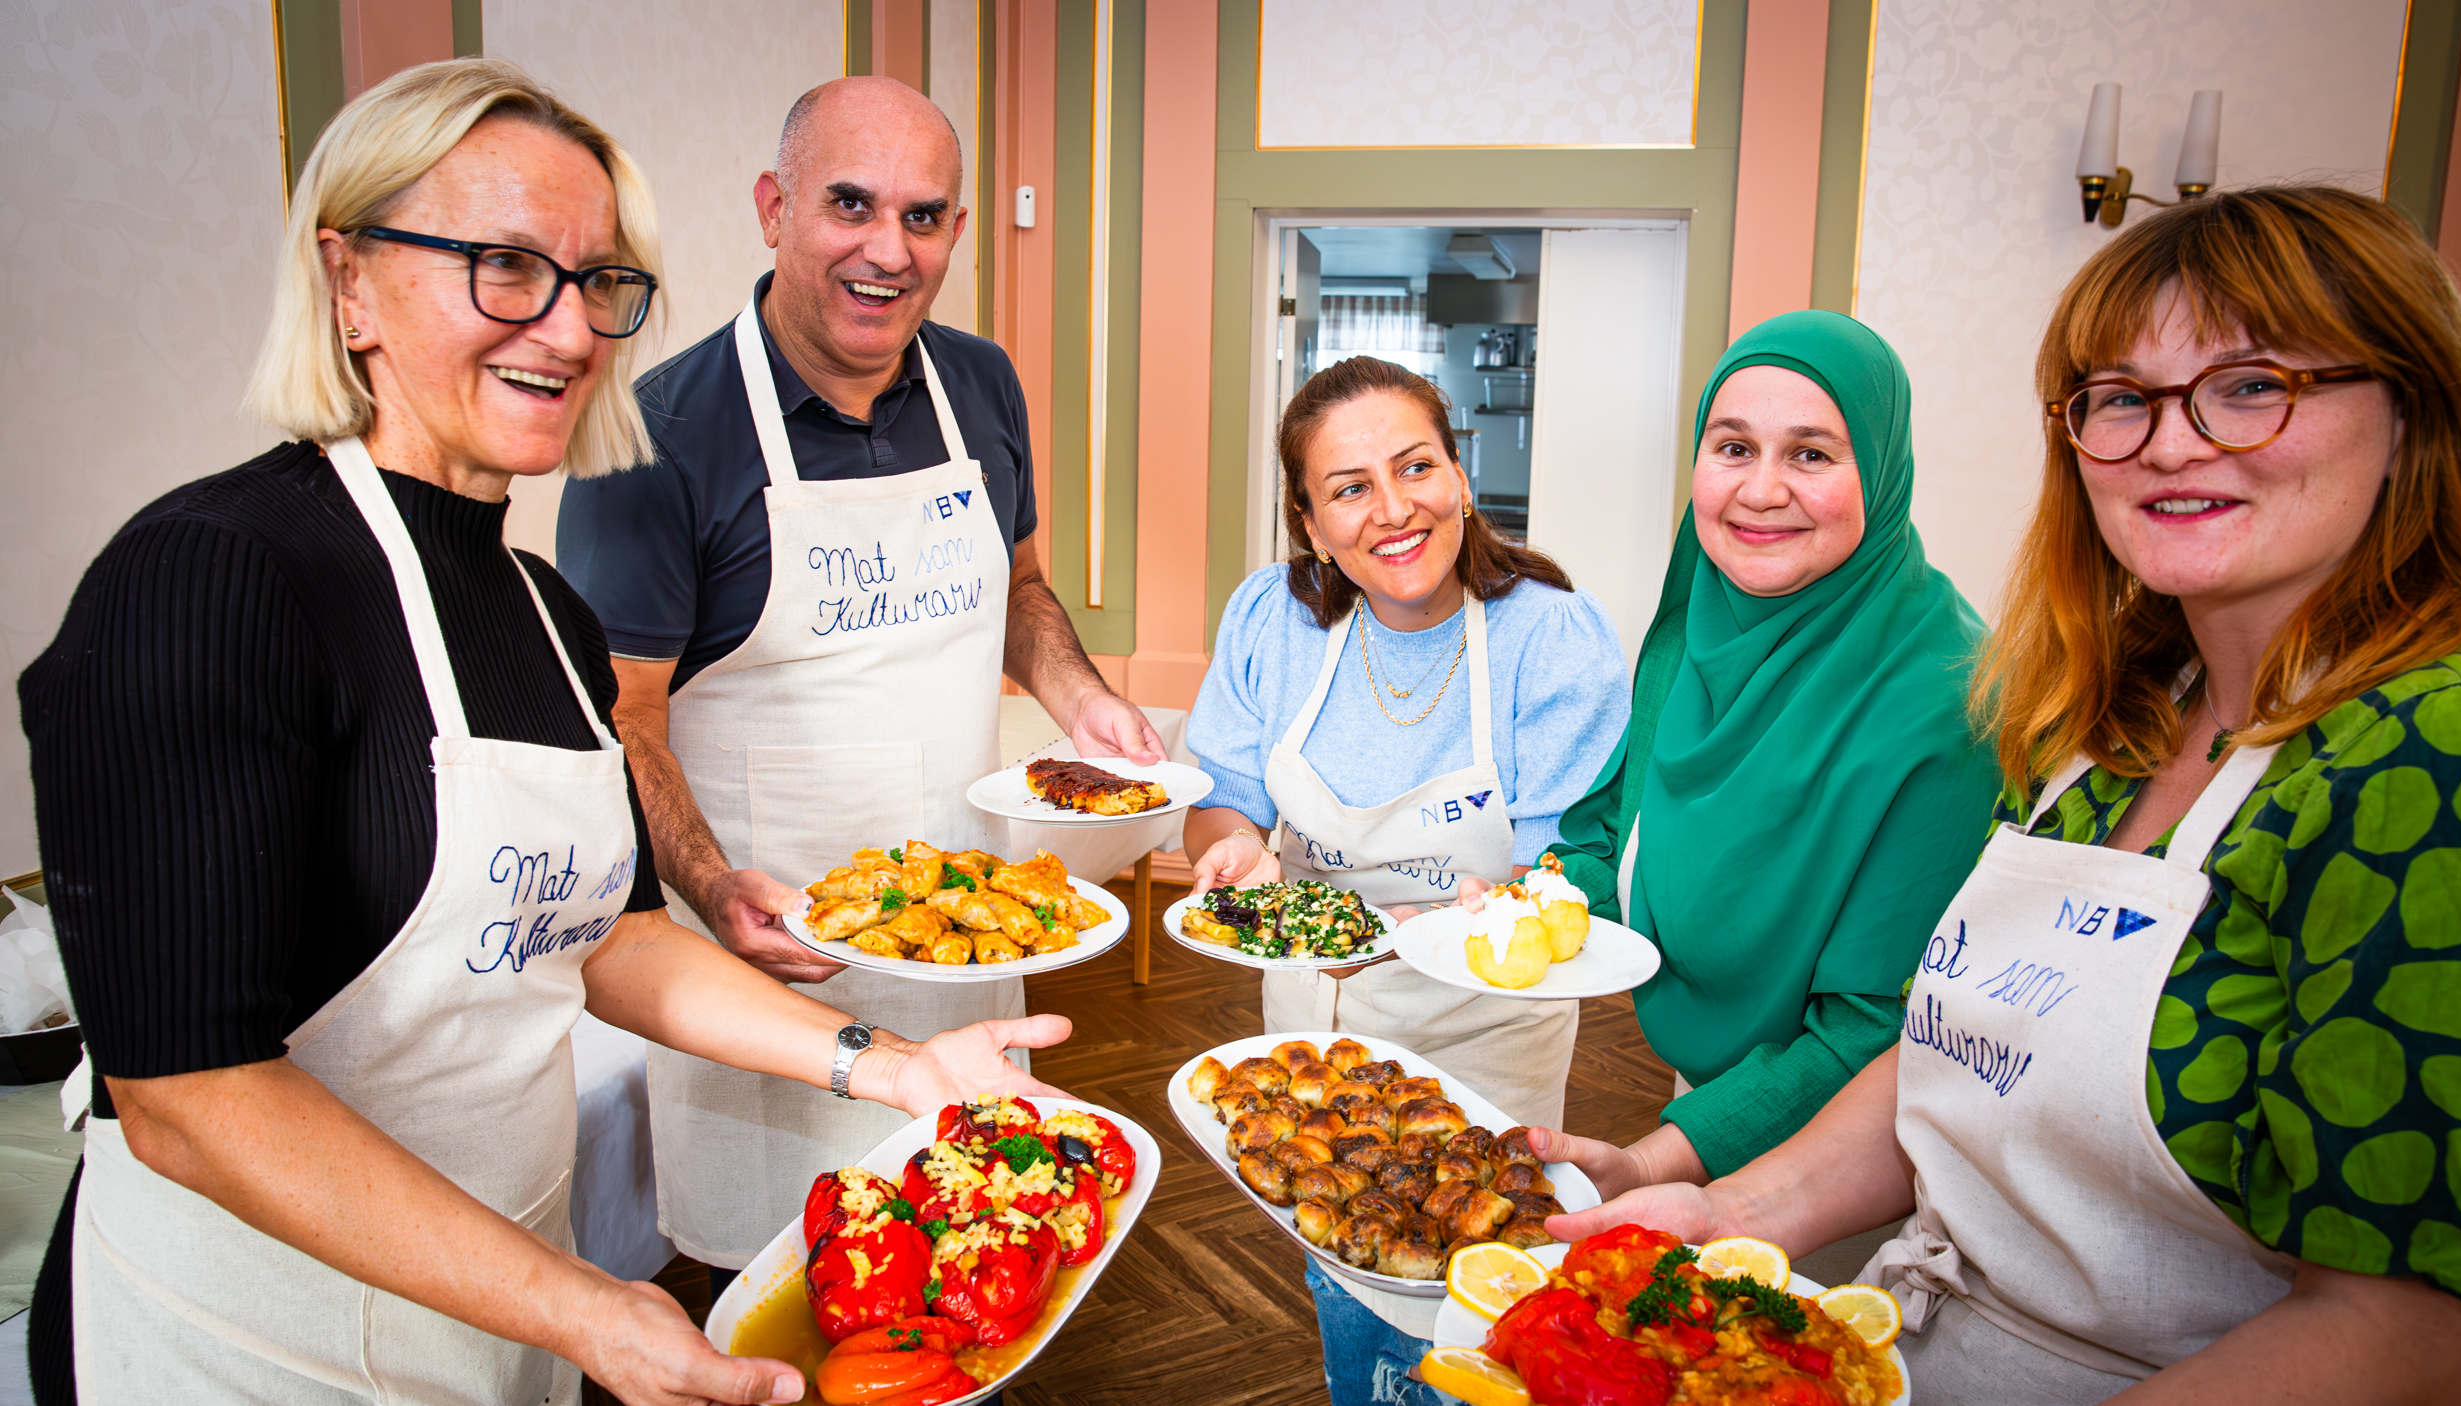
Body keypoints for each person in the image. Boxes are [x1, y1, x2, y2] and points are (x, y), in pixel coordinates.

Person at [17, 59, 1067, 1406]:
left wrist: (894, 1065)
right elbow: (188, 1094)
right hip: (244, 1346)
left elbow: (613, 939)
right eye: (504, 267)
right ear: (348, 283)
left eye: (596, 281)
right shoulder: (207, 581)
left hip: (500, 1314)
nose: (569, 331)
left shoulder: (550, 618)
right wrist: (588, 1309)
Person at [1551, 187, 2461, 1403]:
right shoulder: (2108, 716)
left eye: (2251, 384)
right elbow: (1956, 1044)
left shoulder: (2438, 749)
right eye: (2120, 400)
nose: (2170, 442)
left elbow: (2402, 1326)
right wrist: (1718, 1206)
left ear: (2410, 408)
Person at [554, 76, 1161, 1295]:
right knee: (784, 1288)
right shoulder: (655, 433)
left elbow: (1023, 593)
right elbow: (622, 722)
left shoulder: (982, 388)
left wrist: (1084, 704)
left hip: (971, 932)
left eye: (925, 216)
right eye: (849, 204)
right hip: (764, 964)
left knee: (973, 1262)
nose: (889, 250)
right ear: (774, 207)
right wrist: (716, 886)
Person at [1181, 355, 1632, 1400]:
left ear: (1459, 473)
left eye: (1415, 465)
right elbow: (1228, 790)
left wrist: (1510, 896)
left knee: (1470, 1292)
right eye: (1348, 488)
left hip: (1482, 1030)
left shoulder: (1549, 635)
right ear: (1308, 520)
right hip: (1310, 1028)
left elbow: (1576, 858)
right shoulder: (1273, 616)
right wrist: (1231, 845)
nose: (1394, 508)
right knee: (1342, 1263)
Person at [1516, 311, 2000, 1239]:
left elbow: (1869, 1030)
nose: (1762, 489)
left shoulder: (1950, 703)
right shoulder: (1699, 617)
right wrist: (1504, 909)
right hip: (1711, 1091)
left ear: (1884, 473)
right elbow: (1613, 833)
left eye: (1813, 454)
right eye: (1733, 446)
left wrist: (1657, 1159)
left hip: (1852, 1158)